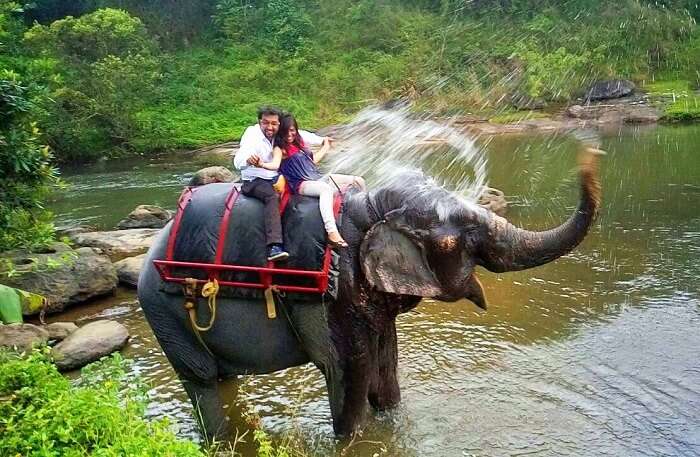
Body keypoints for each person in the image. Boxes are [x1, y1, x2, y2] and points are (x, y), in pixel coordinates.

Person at [252, 113, 365, 248]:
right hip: (300, 184)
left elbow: (312, 162)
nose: (289, 134)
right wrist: (262, 164)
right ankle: (332, 232)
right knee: (325, 189)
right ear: (281, 132)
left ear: (296, 130)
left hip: (316, 177)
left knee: (358, 181)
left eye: (292, 130)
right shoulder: (280, 149)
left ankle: (364, 214)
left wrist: (326, 146)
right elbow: (275, 164)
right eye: (286, 131)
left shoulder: (300, 144)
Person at [233, 107, 328, 261]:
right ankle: (274, 246)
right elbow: (238, 160)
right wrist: (248, 161)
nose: (270, 127)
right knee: (272, 196)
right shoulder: (252, 135)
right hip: (255, 180)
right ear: (259, 122)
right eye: (265, 123)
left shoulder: (280, 133)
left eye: (274, 124)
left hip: (277, 177)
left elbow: (301, 134)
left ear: (279, 124)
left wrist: (323, 140)